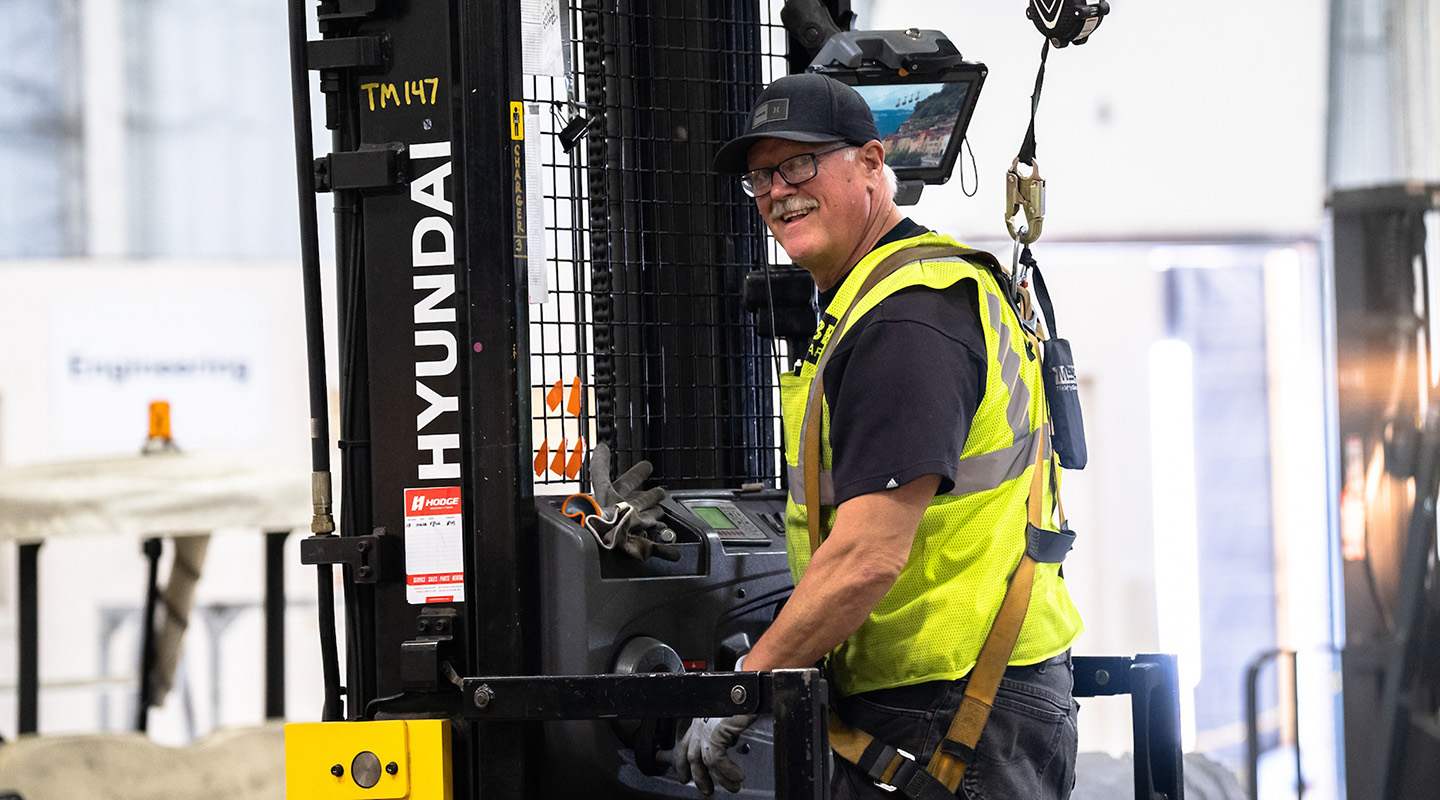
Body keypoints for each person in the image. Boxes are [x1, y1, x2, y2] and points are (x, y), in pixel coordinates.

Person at [673, 73, 1084, 800]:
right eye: (760, 177)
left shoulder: (906, 319)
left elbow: (867, 556)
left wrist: (745, 688)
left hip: (957, 706)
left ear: (870, 163)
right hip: (952, 699)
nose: (777, 191)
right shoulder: (881, 297)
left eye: (799, 164)